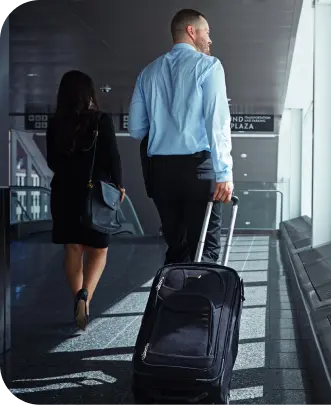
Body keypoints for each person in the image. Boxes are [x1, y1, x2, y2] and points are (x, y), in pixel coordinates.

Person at [128, 8, 234, 265]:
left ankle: (175, 303)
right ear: (191, 31)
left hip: (161, 173)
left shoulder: (148, 72)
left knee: (177, 247)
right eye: (206, 32)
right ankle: (202, 304)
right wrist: (224, 173)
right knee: (205, 248)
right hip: (198, 169)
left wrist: (164, 125)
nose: (210, 39)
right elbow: (216, 121)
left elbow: (136, 129)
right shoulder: (208, 66)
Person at [46, 70, 125, 331]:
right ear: (88, 93)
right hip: (95, 193)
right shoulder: (100, 120)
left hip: (64, 192)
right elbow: (112, 157)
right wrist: (119, 184)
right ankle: (86, 297)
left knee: (73, 248)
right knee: (99, 249)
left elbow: (52, 162)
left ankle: (78, 297)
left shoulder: (55, 122)